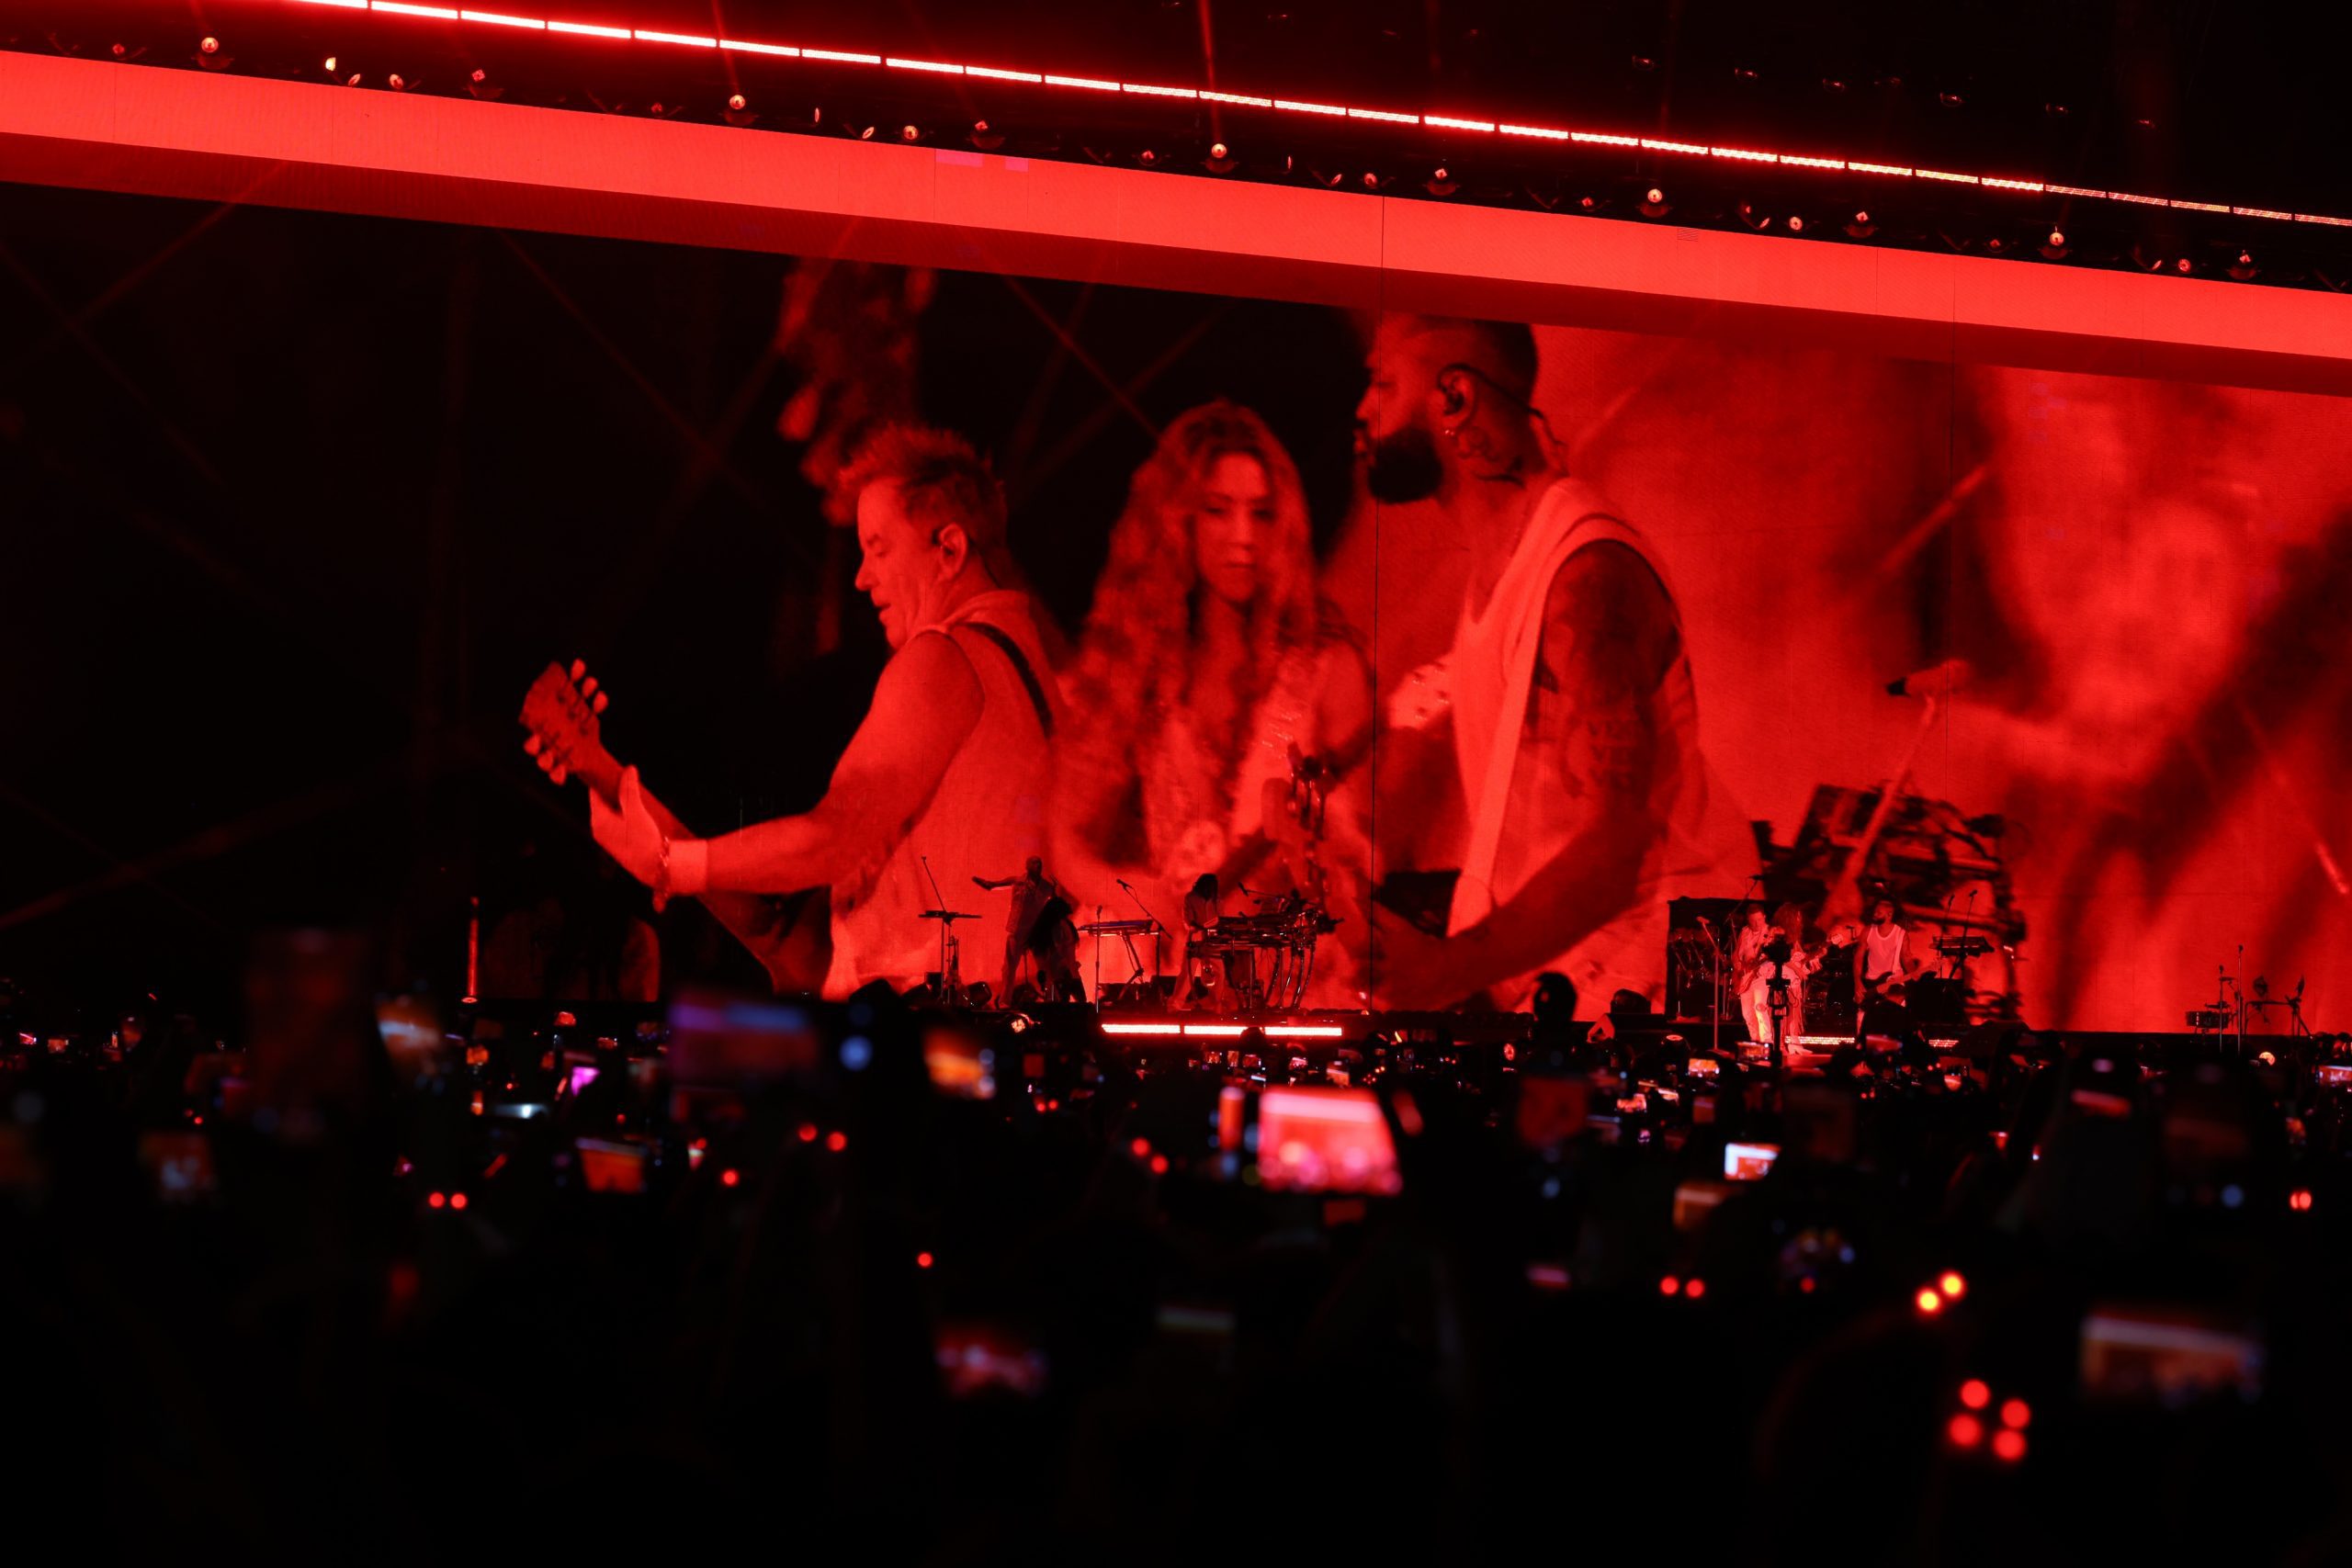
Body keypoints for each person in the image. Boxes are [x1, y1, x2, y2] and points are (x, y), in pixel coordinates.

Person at [576, 423, 1062, 998]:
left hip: (927, 1027)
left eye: (879, 548)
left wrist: (669, 865)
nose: (862, 577)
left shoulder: (944, 657)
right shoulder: (1033, 675)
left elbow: (830, 841)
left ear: (949, 550)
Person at [1358, 315, 1749, 1016]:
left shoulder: (1585, 574)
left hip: (1648, 1003)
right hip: (1576, 992)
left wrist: (1445, 968)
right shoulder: (1505, 567)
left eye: (1383, 384)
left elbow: (1612, 851)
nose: (1362, 410)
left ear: (1455, 398)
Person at [1049, 400, 1374, 998]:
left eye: (1262, 513)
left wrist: (1315, 861)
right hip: (1184, 984)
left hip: (1303, 982)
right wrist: (1135, 893)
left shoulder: (1328, 668)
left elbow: (1373, 856)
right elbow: (1066, 841)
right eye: (1218, 511)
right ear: (1178, 523)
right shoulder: (1140, 673)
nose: (1244, 537)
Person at [973, 857, 1082, 1003]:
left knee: (1045, 967)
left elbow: (1056, 904)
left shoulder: (1046, 886)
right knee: (1009, 968)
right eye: (1035, 863)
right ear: (1027, 866)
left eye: (1040, 863)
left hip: (1036, 932)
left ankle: (1054, 999)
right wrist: (987, 884)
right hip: (1018, 930)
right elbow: (993, 885)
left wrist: (1057, 892)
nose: (1038, 866)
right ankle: (1005, 1000)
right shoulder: (1018, 881)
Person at [1854, 897, 1916, 1043]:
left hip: (1894, 982)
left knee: (1896, 1021)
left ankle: (1897, 1049)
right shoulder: (1868, 931)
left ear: (1889, 915)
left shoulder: (1901, 934)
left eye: (1878, 912)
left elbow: (1907, 958)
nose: (1875, 914)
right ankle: (1863, 1048)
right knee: (1862, 1019)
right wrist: (1858, 983)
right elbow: (1858, 958)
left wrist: (1915, 974)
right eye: (1875, 911)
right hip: (1871, 982)